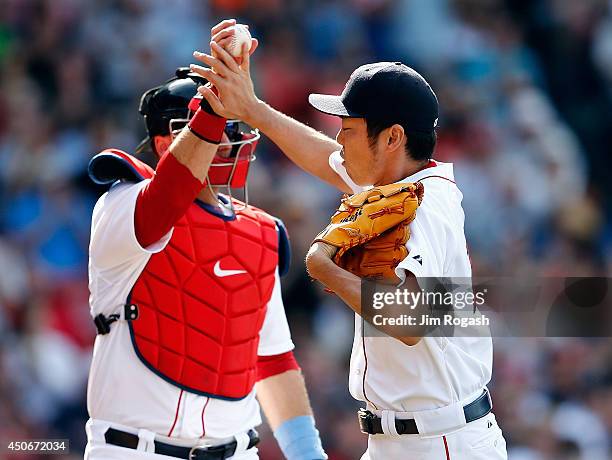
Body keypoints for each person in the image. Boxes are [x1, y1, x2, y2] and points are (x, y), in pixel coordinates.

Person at [190, 19, 508, 460]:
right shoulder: (394, 183)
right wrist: (252, 109)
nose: (339, 138)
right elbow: (325, 159)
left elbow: (410, 323)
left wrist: (327, 270)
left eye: (350, 128)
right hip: (404, 439)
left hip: (442, 442)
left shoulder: (425, 206)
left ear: (393, 138)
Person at [84, 25, 327, 460]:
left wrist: (307, 453)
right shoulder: (122, 202)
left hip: (236, 451)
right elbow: (167, 201)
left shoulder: (261, 232)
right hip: (136, 450)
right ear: (164, 141)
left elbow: (271, 360)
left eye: (232, 129)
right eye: (216, 128)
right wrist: (214, 103)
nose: (227, 140)